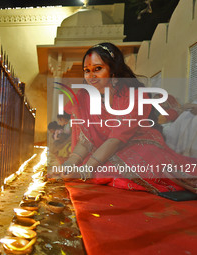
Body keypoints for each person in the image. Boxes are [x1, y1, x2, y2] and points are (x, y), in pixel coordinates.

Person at [60, 42, 197, 195]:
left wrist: (85, 171)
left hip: (138, 144)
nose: (91, 76)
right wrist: (70, 163)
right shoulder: (85, 97)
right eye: (87, 70)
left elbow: (116, 139)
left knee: (109, 171)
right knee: (97, 169)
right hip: (103, 151)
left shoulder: (135, 95)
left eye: (98, 69)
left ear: (113, 70)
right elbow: (85, 140)